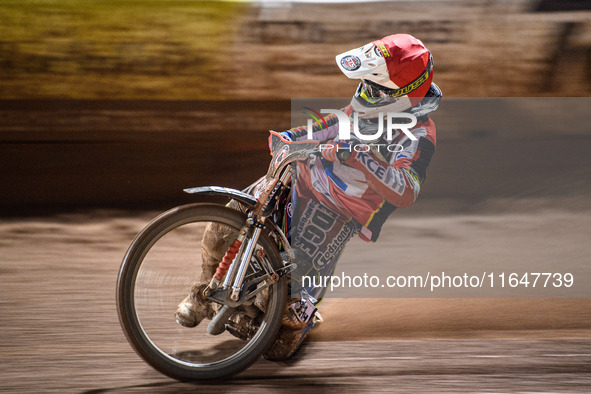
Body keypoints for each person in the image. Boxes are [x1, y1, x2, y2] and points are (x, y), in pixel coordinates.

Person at [175, 33, 442, 360]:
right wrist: (289, 138)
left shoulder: (418, 135)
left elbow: (406, 189)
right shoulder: (365, 110)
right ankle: (202, 293)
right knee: (222, 229)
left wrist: (360, 158)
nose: (365, 92)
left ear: (402, 95)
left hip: (339, 212)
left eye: (375, 88)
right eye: (365, 84)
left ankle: (284, 317)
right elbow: (330, 126)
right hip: (302, 178)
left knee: (281, 337)